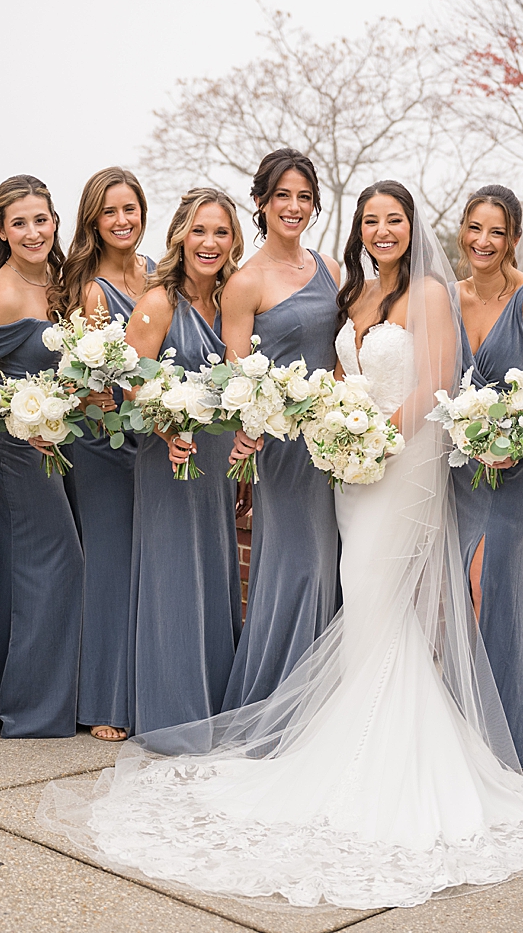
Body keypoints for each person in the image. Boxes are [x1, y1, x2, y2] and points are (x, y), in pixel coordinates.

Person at [39, 181, 523, 909]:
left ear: (411, 227)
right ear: (358, 230)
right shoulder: (354, 293)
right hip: (347, 469)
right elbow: (334, 375)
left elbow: (435, 384)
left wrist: (374, 435)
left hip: (401, 466)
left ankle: (386, 753)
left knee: (368, 589)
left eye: (394, 220)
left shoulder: (427, 290)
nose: (383, 230)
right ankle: (356, 734)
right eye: (372, 221)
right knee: (357, 595)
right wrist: (337, 426)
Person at [451, 184, 523, 768]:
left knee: (494, 582)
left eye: (496, 231)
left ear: (514, 239)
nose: (483, 240)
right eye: (475, 227)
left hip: (515, 468)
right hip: (461, 471)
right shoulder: (449, 299)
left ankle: (505, 732)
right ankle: (468, 722)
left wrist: (510, 438)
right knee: (465, 586)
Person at [0, 175, 83, 739]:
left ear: (55, 221)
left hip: (56, 444)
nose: (33, 232)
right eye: (19, 223)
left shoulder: (62, 281)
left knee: (21, 572)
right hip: (16, 452)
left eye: (41, 220)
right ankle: (31, 707)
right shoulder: (5, 293)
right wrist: (23, 419)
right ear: (2, 232)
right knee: (58, 561)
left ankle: (8, 696)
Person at [221, 149, 342, 711]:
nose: (293, 207)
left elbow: (342, 358)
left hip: (335, 447)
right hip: (282, 451)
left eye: (303, 197)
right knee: (296, 566)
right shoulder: (245, 284)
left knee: (331, 565)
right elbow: (238, 377)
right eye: (282, 197)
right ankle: (276, 703)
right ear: (261, 204)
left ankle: (321, 703)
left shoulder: (328, 269)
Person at [123, 187, 244, 734]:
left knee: (216, 570)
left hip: (218, 459)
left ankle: (215, 703)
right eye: (199, 230)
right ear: (179, 235)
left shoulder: (234, 300)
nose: (210, 242)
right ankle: (173, 713)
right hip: (169, 456)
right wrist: (168, 426)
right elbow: (130, 385)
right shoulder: (158, 302)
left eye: (220, 232)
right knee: (176, 574)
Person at [50, 167, 154, 743]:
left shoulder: (155, 272)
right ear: (94, 219)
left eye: (131, 209)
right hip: (103, 442)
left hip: (153, 437)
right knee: (111, 566)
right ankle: (105, 702)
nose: (123, 221)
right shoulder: (89, 289)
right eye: (111, 211)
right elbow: (91, 380)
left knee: (145, 564)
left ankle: (143, 685)